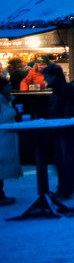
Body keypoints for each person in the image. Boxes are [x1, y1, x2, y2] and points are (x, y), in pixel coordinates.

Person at [43, 64, 74, 199]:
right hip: (63, 129)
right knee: (63, 159)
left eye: (46, 77)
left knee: (65, 160)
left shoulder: (63, 91)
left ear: (53, 76)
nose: (44, 80)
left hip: (64, 130)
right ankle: (64, 188)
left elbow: (68, 112)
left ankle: (65, 188)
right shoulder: (63, 90)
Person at [0, 73, 21, 207]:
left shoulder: (6, 99)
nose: (10, 86)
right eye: (7, 85)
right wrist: (13, 111)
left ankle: (1, 194)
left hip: (5, 138)